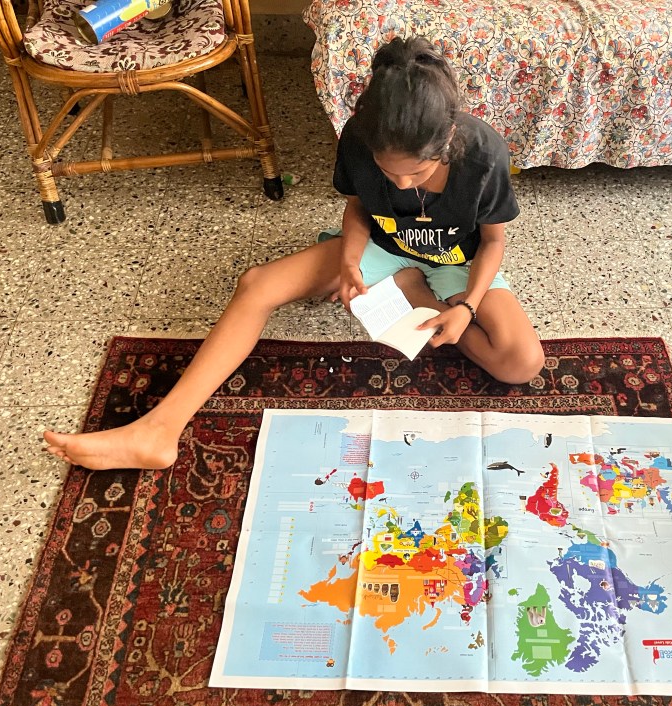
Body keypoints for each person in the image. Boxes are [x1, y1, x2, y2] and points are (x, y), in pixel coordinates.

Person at [43, 36, 544, 471]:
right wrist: (348, 262)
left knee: (522, 362)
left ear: (448, 139)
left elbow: (493, 241)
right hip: (381, 246)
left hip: (458, 262)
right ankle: (158, 431)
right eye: (388, 171)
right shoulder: (359, 136)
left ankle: (418, 297)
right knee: (257, 284)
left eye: (417, 172)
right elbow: (358, 207)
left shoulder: (484, 155)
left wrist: (464, 307)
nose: (400, 184)